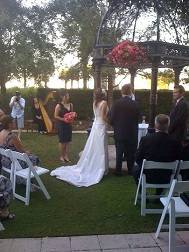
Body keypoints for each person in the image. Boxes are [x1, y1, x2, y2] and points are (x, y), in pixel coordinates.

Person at [51, 89, 109, 187]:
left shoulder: (95, 102)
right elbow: (103, 117)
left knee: (94, 146)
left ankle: (95, 165)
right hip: (101, 126)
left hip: (96, 126)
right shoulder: (104, 103)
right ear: (103, 95)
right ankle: (100, 168)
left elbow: (97, 116)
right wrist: (110, 121)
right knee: (100, 147)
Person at [133, 114, 182, 192]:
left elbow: (137, 158)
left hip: (148, 175)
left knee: (135, 169)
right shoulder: (175, 141)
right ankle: (159, 194)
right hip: (167, 176)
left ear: (155, 125)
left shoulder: (146, 139)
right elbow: (179, 159)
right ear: (168, 125)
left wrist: (144, 167)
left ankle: (141, 193)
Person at [109, 84, 139, 176]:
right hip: (131, 132)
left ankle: (118, 171)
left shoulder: (116, 103)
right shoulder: (135, 103)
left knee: (119, 152)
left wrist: (116, 126)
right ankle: (130, 170)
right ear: (130, 91)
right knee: (131, 152)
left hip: (119, 132)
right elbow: (138, 118)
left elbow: (111, 118)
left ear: (122, 92)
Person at [54, 92, 73, 162]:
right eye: (67, 96)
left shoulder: (71, 105)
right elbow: (55, 116)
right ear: (63, 97)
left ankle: (66, 156)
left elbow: (71, 113)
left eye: (68, 96)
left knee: (68, 141)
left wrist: (73, 115)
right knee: (62, 141)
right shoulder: (58, 106)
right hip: (61, 125)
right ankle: (61, 156)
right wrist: (63, 119)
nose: (68, 97)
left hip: (69, 125)